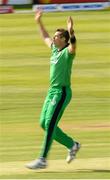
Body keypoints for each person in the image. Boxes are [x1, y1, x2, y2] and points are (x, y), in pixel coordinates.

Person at [26, 9, 80, 170]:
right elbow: (45, 36)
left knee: (50, 123)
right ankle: (72, 144)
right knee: (44, 123)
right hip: (52, 91)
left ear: (64, 40)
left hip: (62, 92)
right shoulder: (54, 50)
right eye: (55, 36)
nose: (54, 37)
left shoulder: (67, 52)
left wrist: (71, 31)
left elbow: (74, 46)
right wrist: (38, 22)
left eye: (57, 36)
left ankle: (42, 158)